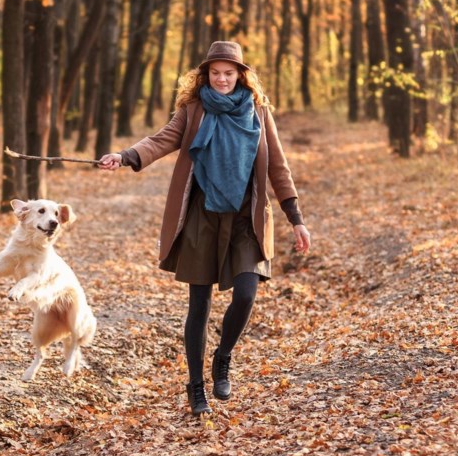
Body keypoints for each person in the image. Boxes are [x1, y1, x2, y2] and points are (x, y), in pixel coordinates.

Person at [98, 41, 311, 416]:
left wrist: (296, 218)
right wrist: (126, 155)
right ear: (206, 76)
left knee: (246, 294)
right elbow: (162, 139)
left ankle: (223, 356)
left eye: (229, 73)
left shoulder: (258, 113)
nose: (223, 79)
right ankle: (196, 388)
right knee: (200, 303)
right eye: (216, 73)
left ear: (240, 75)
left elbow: (278, 167)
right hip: (203, 214)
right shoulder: (193, 111)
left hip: (246, 218)